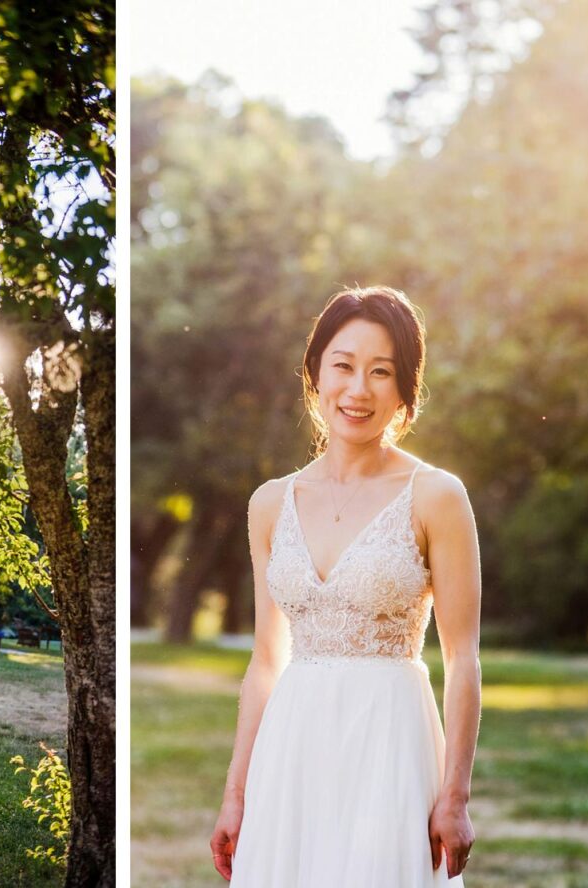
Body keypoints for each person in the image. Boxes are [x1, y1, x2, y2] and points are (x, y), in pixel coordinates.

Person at [209, 286, 482, 886]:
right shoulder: (269, 504)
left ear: (405, 388)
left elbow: (463, 658)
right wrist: (236, 792)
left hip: (390, 742)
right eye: (344, 365)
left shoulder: (437, 495)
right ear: (315, 375)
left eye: (381, 372)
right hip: (293, 749)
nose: (358, 390)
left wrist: (455, 796)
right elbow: (264, 661)